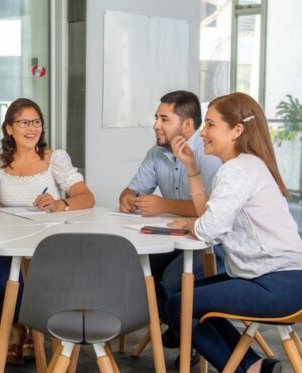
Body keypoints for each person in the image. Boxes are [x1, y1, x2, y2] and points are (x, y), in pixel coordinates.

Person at [167, 92, 302, 373]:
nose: (202, 132)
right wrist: (192, 167)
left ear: (237, 130)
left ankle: (247, 369)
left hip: (273, 283)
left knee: (179, 306)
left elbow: (208, 230)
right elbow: (211, 216)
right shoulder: (249, 165)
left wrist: (190, 225)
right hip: (285, 280)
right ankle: (255, 367)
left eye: (210, 124)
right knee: (186, 296)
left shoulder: (237, 171)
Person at [0, 97, 95, 364]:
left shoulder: (54, 159)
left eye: (36, 122)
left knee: (35, 273)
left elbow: (86, 197)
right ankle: (19, 332)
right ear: (8, 129)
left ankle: (32, 331)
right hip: (12, 242)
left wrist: (61, 203)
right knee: (6, 273)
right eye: (24, 122)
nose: (32, 128)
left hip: (49, 244)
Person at [118, 90, 224, 356]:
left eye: (164, 119)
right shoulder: (156, 153)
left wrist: (163, 205)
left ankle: (186, 335)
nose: (156, 125)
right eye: (156, 118)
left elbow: (210, 211)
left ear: (187, 125)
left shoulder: (211, 154)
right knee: (135, 268)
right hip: (175, 238)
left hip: (213, 244)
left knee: (170, 279)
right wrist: (129, 199)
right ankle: (176, 325)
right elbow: (128, 191)